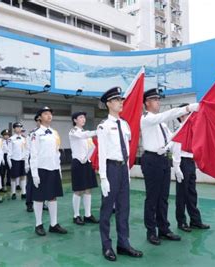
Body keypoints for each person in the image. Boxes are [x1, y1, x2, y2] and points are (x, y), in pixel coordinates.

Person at [140, 88, 200, 245]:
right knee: (152, 198)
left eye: (158, 99)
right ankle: (151, 232)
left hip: (163, 160)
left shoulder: (162, 125)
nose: (158, 102)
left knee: (163, 198)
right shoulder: (146, 119)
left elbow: (173, 139)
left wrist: (185, 123)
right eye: (155, 99)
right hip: (151, 160)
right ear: (147, 102)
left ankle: (164, 229)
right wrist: (186, 109)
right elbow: (165, 116)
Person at [97, 86, 143, 261]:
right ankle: (106, 245)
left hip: (123, 169)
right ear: (109, 103)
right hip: (110, 169)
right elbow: (102, 153)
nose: (121, 102)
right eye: (117, 100)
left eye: (121, 99)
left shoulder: (124, 124)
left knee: (124, 208)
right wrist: (103, 177)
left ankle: (123, 243)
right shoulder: (104, 126)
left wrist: (128, 172)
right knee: (107, 210)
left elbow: (128, 150)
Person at [30, 106, 67, 236]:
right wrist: (34, 174)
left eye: (50, 113)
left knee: (53, 197)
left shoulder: (54, 132)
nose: (49, 116)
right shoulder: (35, 133)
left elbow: (56, 152)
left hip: (53, 168)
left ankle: (53, 224)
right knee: (39, 198)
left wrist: (59, 170)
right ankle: (38, 224)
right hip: (41, 168)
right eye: (45, 114)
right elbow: (33, 154)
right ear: (39, 117)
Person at [173, 103, 210, 232]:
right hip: (182, 162)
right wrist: (176, 166)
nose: (190, 115)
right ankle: (181, 222)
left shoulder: (192, 128)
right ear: (181, 116)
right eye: (187, 114)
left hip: (190, 161)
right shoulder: (181, 129)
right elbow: (176, 149)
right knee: (181, 194)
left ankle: (195, 220)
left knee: (192, 193)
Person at [68, 111, 99, 225]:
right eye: (80, 117)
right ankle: (76, 215)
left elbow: (92, 146)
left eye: (84, 117)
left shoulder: (86, 133)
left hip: (87, 162)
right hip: (78, 162)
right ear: (75, 120)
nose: (83, 119)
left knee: (88, 189)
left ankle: (87, 214)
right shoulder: (73, 131)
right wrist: (97, 131)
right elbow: (83, 136)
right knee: (78, 190)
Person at [8, 122, 29, 200]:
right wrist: (9, 161)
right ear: (14, 129)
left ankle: (23, 192)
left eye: (20, 127)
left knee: (23, 176)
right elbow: (9, 151)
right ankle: (13, 192)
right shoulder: (11, 139)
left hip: (22, 159)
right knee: (14, 177)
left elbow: (26, 150)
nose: (19, 128)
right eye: (17, 127)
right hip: (14, 159)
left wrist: (26, 160)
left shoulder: (24, 139)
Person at [0, 129, 12, 193]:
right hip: (3, 156)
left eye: (8, 135)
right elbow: (0, 150)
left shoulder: (11, 141)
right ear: (3, 136)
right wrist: (1, 159)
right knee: (3, 171)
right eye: (5, 135)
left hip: (9, 156)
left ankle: (8, 181)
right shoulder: (1, 141)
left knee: (9, 170)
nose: (6, 136)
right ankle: (2, 183)